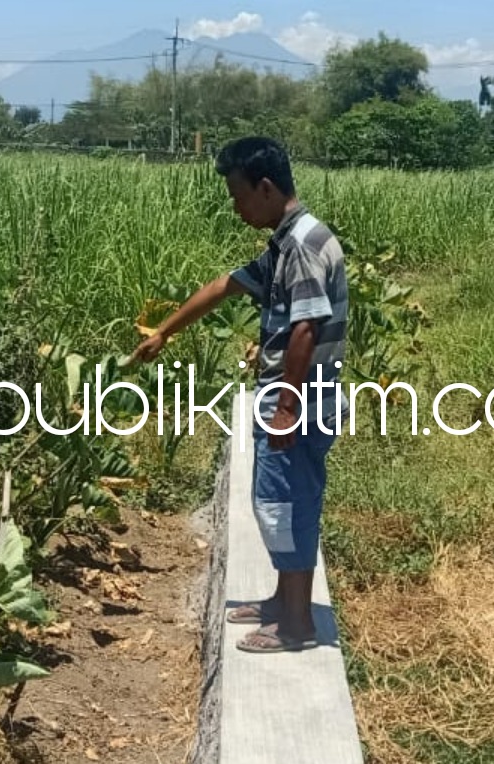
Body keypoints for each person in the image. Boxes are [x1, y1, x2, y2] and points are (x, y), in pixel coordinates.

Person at [130, 136, 348, 654]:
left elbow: (305, 330)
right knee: (286, 501)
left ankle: (296, 624)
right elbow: (225, 285)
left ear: (266, 188)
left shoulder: (300, 247)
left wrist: (286, 408)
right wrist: (165, 330)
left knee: (282, 504)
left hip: (298, 400)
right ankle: (282, 601)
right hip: (300, 396)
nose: (235, 206)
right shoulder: (288, 241)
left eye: (237, 194)